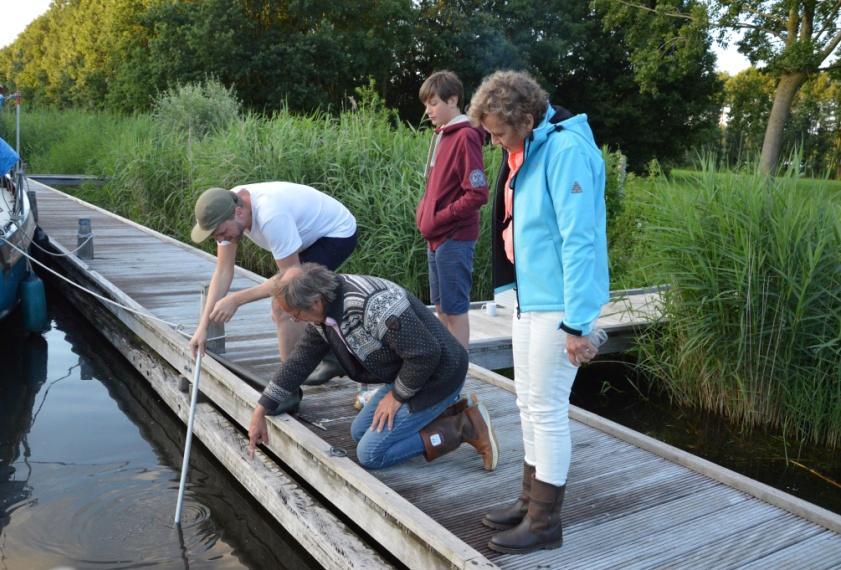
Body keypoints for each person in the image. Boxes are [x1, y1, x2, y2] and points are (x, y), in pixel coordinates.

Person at [467, 71, 609, 554]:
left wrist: (578, 321)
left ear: (526, 119)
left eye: (499, 132)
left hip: (558, 307)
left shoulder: (565, 150)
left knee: (547, 411)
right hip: (530, 301)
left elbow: (580, 240)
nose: (493, 141)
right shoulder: (527, 150)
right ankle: (530, 502)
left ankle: (546, 523)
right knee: (527, 404)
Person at [246, 263, 499, 472]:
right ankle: (444, 412)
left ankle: (463, 427)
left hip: (439, 375)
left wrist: (397, 396)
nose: (294, 320)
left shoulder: (370, 304)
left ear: (314, 302)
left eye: (295, 315)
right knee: (359, 432)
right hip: (409, 372)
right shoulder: (324, 311)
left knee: (371, 454)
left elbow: (426, 354)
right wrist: (260, 411)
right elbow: (299, 362)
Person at [188, 182, 357, 384]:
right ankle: (331, 357)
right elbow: (223, 270)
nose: (221, 238)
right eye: (215, 236)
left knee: (284, 304)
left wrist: (236, 299)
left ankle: (288, 388)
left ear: (238, 212)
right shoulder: (223, 210)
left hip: (335, 232)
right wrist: (203, 327)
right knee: (288, 301)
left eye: (221, 232)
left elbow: (289, 277)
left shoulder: (270, 216)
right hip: (303, 235)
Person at [417, 70, 489, 349]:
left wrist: (440, 217)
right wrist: (424, 211)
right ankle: (447, 370)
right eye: (426, 104)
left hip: (454, 237)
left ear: (453, 100)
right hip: (435, 237)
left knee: (456, 312)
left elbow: (477, 193)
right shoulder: (443, 135)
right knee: (441, 309)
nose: (428, 110)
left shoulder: (466, 136)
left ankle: (455, 380)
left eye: (433, 103)